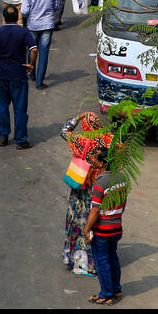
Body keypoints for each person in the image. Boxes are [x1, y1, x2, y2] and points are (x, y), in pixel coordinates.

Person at [61, 113, 113, 276]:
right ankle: (98, 261)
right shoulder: (109, 140)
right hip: (103, 187)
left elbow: (64, 130)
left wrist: (78, 117)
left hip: (82, 190)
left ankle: (80, 262)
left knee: (79, 224)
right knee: (98, 224)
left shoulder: (83, 141)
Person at [0, 5, 37, 149]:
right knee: (20, 109)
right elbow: (34, 49)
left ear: (4, 18)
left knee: (2, 106)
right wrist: (31, 65)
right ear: (18, 16)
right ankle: (20, 140)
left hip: (2, 74)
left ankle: (2, 136)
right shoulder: (24, 32)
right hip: (18, 74)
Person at [84, 144, 129, 304]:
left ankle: (106, 293)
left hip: (103, 230)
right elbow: (123, 203)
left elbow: (95, 211)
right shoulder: (122, 178)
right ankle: (116, 289)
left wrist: (87, 229)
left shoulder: (100, 184)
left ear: (102, 163)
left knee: (102, 260)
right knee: (112, 257)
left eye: (96, 157)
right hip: (117, 227)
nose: (94, 160)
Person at [21, 0, 60, 89]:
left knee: (32, 49)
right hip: (47, 24)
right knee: (43, 53)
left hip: (33, 25)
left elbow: (25, 11)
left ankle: (31, 73)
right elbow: (56, 6)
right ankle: (39, 82)